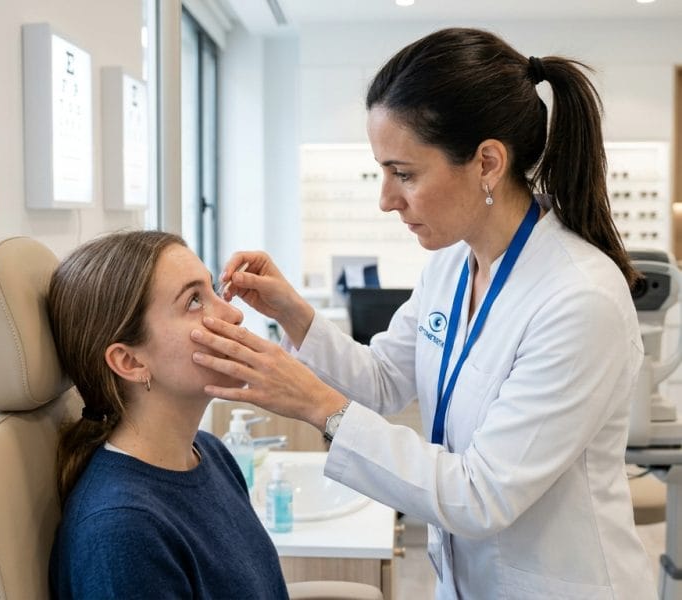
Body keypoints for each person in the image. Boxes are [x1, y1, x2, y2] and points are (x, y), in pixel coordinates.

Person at [190, 27, 656, 599]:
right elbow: (384, 381)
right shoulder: (452, 267)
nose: (386, 199)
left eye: (404, 174)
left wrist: (314, 404)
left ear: (487, 162)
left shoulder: (579, 300)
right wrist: (293, 314)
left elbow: (482, 495)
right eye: (382, 172)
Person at [46, 230, 288, 599]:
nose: (233, 314)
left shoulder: (211, 454)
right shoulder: (122, 531)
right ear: (130, 361)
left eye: (211, 290)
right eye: (194, 301)